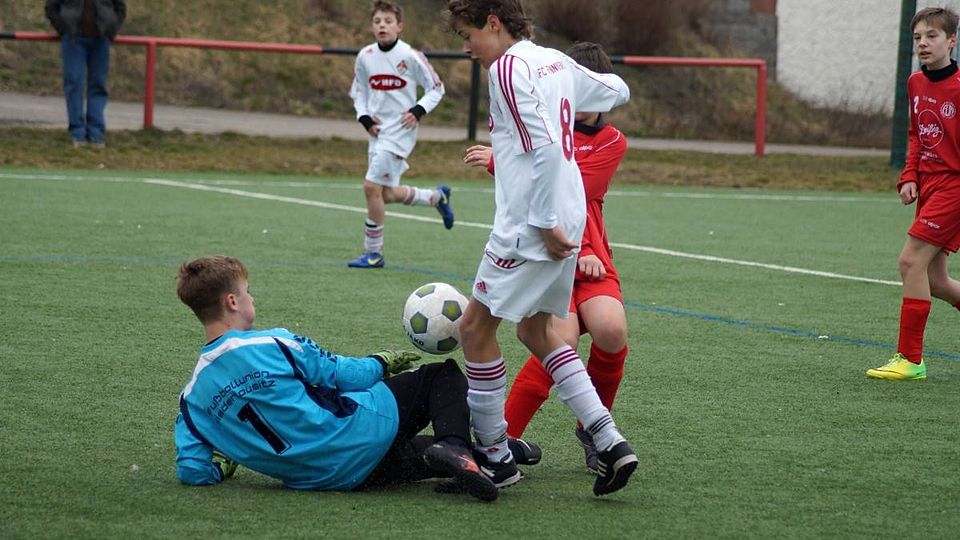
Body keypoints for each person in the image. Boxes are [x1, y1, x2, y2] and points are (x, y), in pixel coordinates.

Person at [445, 0, 637, 497]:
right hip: (568, 216)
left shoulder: (508, 69)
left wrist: (545, 223)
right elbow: (617, 89)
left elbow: (546, 147)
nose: (467, 48)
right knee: (537, 330)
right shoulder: (553, 60)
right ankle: (609, 440)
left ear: (494, 23)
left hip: (531, 224)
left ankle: (494, 457)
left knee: (474, 328)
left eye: (468, 35)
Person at [173, 255, 502, 501]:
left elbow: (191, 469)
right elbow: (347, 376)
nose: (252, 298)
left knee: (428, 451)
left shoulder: (192, 401)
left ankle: (496, 453)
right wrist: (381, 361)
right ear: (232, 301)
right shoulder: (271, 343)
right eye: (248, 291)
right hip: (358, 432)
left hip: (334, 478)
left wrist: (220, 468)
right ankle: (459, 448)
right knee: (440, 376)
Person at [867, 6, 960, 381]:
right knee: (935, 281)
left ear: (951, 41)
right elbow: (916, 135)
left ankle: (910, 359)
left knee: (910, 262)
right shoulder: (915, 83)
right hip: (930, 187)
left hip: (955, 187)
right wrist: (910, 176)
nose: (923, 43)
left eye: (932, 36)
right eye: (918, 37)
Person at [347, 0, 453, 269]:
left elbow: (436, 88)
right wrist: (364, 117)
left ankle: (374, 253)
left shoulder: (410, 56)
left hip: (401, 131)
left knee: (371, 188)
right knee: (385, 194)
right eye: (377, 21)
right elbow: (358, 92)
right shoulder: (365, 56)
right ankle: (435, 198)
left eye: (388, 21)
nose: (382, 26)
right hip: (377, 132)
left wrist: (418, 110)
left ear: (400, 26)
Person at [45, 0, 126, 148]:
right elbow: (51, 7)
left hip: (101, 39)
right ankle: (77, 133)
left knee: (98, 85)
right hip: (74, 39)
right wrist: (64, 29)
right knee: (74, 83)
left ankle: (96, 133)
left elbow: (120, 7)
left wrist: (111, 29)